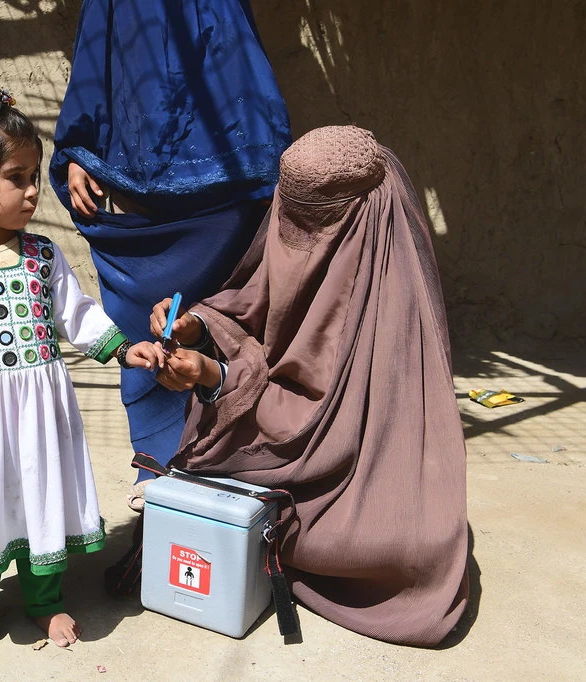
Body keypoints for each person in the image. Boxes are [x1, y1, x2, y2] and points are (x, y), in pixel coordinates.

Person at [150, 126, 470, 647]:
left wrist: (218, 377)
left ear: (359, 219)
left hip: (346, 468)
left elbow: (325, 420)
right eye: (288, 213)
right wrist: (198, 324)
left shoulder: (385, 299)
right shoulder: (315, 232)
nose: (294, 236)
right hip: (277, 436)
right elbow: (252, 304)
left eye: (313, 221)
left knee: (402, 548)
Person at [0, 91, 164, 665]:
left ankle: (45, 599)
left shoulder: (42, 256)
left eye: (34, 176)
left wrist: (123, 348)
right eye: (16, 177)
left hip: (40, 411)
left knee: (41, 499)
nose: (32, 192)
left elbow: (79, 314)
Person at [51, 0, 292, 511]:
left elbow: (240, 63)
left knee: (228, 320)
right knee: (141, 319)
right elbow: (96, 59)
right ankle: (157, 461)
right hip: (139, 179)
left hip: (229, 193)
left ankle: (230, 462)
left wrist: (265, 164)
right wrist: (77, 150)